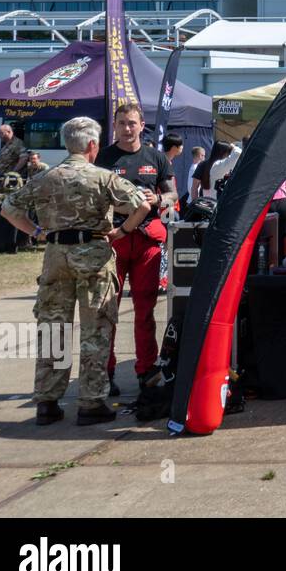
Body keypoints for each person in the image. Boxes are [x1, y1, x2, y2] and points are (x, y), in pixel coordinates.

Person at [0, 116, 150, 425]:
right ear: (93, 145)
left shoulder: (45, 177)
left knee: (54, 327)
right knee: (95, 328)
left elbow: (8, 208)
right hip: (94, 255)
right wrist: (122, 232)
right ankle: (91, 402)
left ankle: (48, 401)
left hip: (55, 256)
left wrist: (38, 231)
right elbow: (142, 205)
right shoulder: (104, 178)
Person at [96, 102, 176, 394]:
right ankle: (106, 371)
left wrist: (160, 200)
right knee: (107, 310)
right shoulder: (104, 158)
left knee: (145, 310)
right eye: (121, 123)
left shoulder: (156, 157)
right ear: (114, 126)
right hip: (113, 241)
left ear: (142, 125)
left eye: (132, 123)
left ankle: (145, 370)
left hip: (146, 243)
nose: (127, 129)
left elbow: (172, 192)